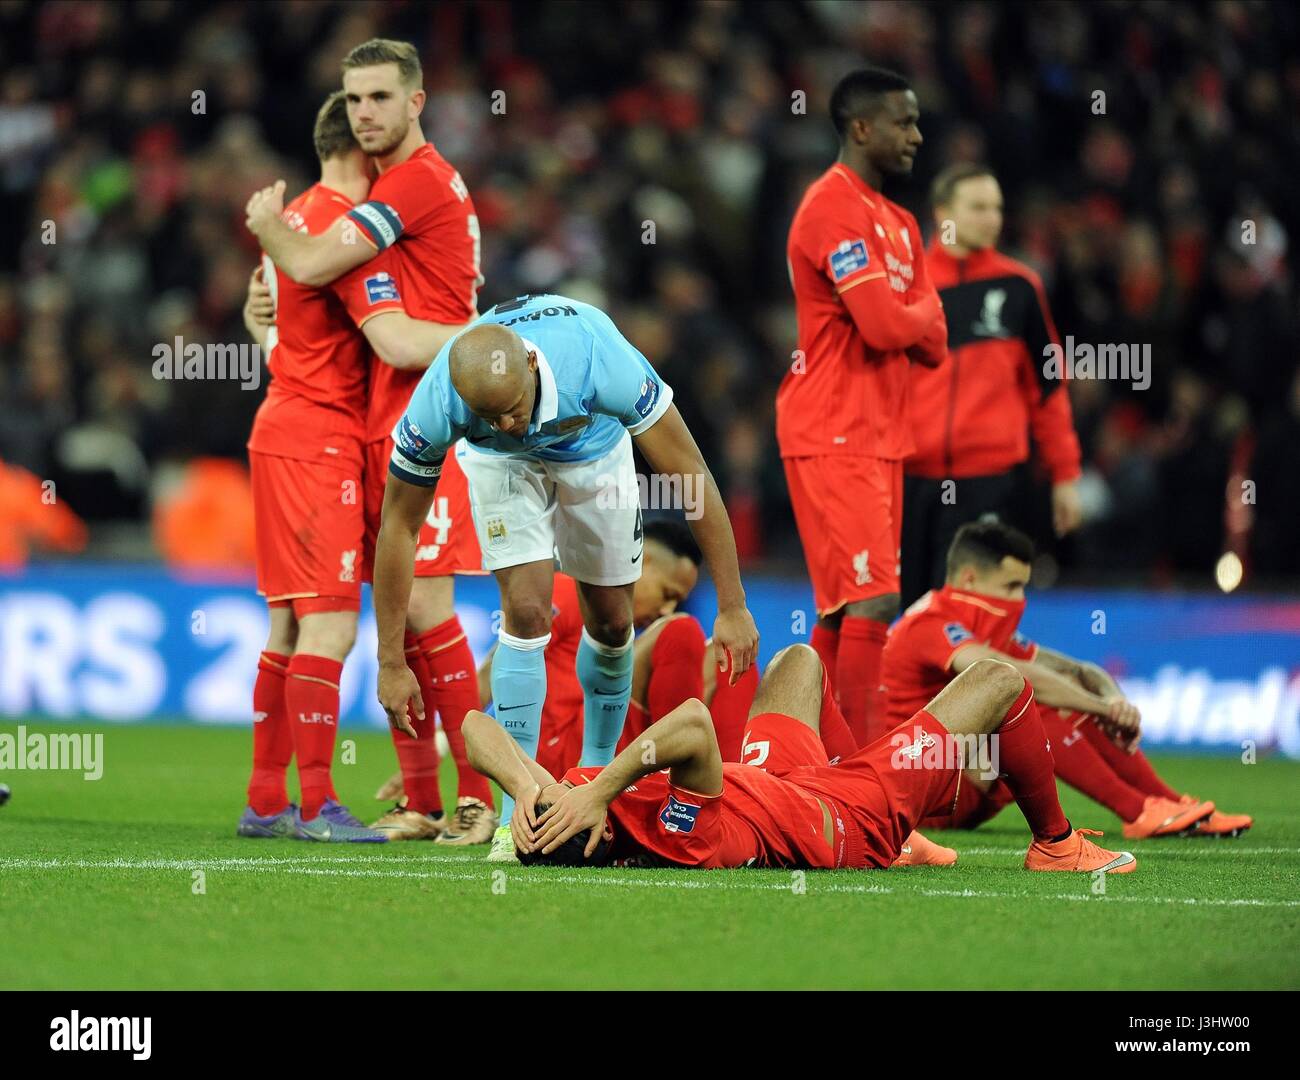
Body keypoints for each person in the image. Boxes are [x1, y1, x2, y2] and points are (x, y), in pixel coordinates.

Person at [371, 297, 760, 862]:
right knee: (526, 612)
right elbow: (398, 528)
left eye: (512, 408)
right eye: (490, 417)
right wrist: (389, 660)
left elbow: (691, 475)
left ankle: (594, 779)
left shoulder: (601, 361)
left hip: (594, 453)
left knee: (612, 621)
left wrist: (731, 604)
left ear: (531, 365)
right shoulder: (439, 400)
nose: (507, 424)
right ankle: (516, 817)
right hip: (502, 468)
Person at [245, 40, 493, 844]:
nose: (368, 113)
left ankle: (474, 800)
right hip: (369, 431)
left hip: (426, 418)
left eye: (381, 98)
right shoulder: (378, 205)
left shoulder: (402, 192)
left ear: (416, 101)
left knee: (421, 607)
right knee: (397, 615)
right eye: (356, 101)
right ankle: (421, 797)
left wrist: (266, 234)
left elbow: (383, 335)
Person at [465, 646, 1137, 875]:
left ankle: (910, 830)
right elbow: (695, 726)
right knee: (997, 681)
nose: (573, 793)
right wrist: (607, 784)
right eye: (577, 805)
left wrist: (527, 789)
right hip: (843, 818)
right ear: (599, 835)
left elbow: (474, 726)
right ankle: (1054, 844)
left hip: (774, 785)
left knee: (797, 662)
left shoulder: (573, 808)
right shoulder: (679, 836)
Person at [883, 519, 1252, 838]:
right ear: (969, 578)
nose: (1019, 599)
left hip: (964, 774)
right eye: (1011, 586)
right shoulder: (929, 622)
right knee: (1028, 696)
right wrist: (1100, 707)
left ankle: (1169, 803)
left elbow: (1076, 671)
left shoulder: (979, 625)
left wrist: (1111, 700)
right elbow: (1001, 671)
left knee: (1061, 692)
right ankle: (1138, 810)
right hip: (919, 783)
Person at [779, 66, 947, 750]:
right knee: (873, 599)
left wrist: (911, 315)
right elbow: (889, 327)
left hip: (882, 437)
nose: (917, 134)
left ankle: (808, 763)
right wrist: (917, 311)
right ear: (861, 128)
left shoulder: (904, 224)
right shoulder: (830, 206)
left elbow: (935, 343)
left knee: (845, 610)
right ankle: (871, 784)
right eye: (904, 122)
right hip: (832, 428)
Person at [901, 164, 1084, 607]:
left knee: (969, 616)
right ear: (942, 212)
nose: (992, 218)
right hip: (907, 480)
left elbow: (1048, 388)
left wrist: (1065, 474)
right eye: (978, 207)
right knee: (905, 616)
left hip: (988, 482)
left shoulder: (1020, 287)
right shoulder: (905, 284)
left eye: (997, 208)